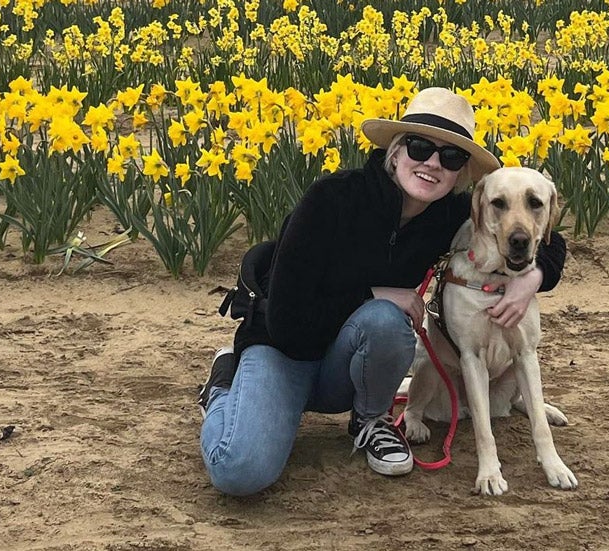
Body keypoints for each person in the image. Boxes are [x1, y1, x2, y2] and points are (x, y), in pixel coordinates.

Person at [197, 87, 567, 496]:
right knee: (238, 470)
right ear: (395, 150)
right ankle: (224, 385)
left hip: (346, 367)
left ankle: (370, 419)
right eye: (420, 146)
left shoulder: (454, 214)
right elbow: (286, 320)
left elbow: (545, 240)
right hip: (283, 351)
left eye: (450, 156)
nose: (431, 164)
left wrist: (529, 280)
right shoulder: (331, 199)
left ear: (462, 174)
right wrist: (373, 294)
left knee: (387, 323)